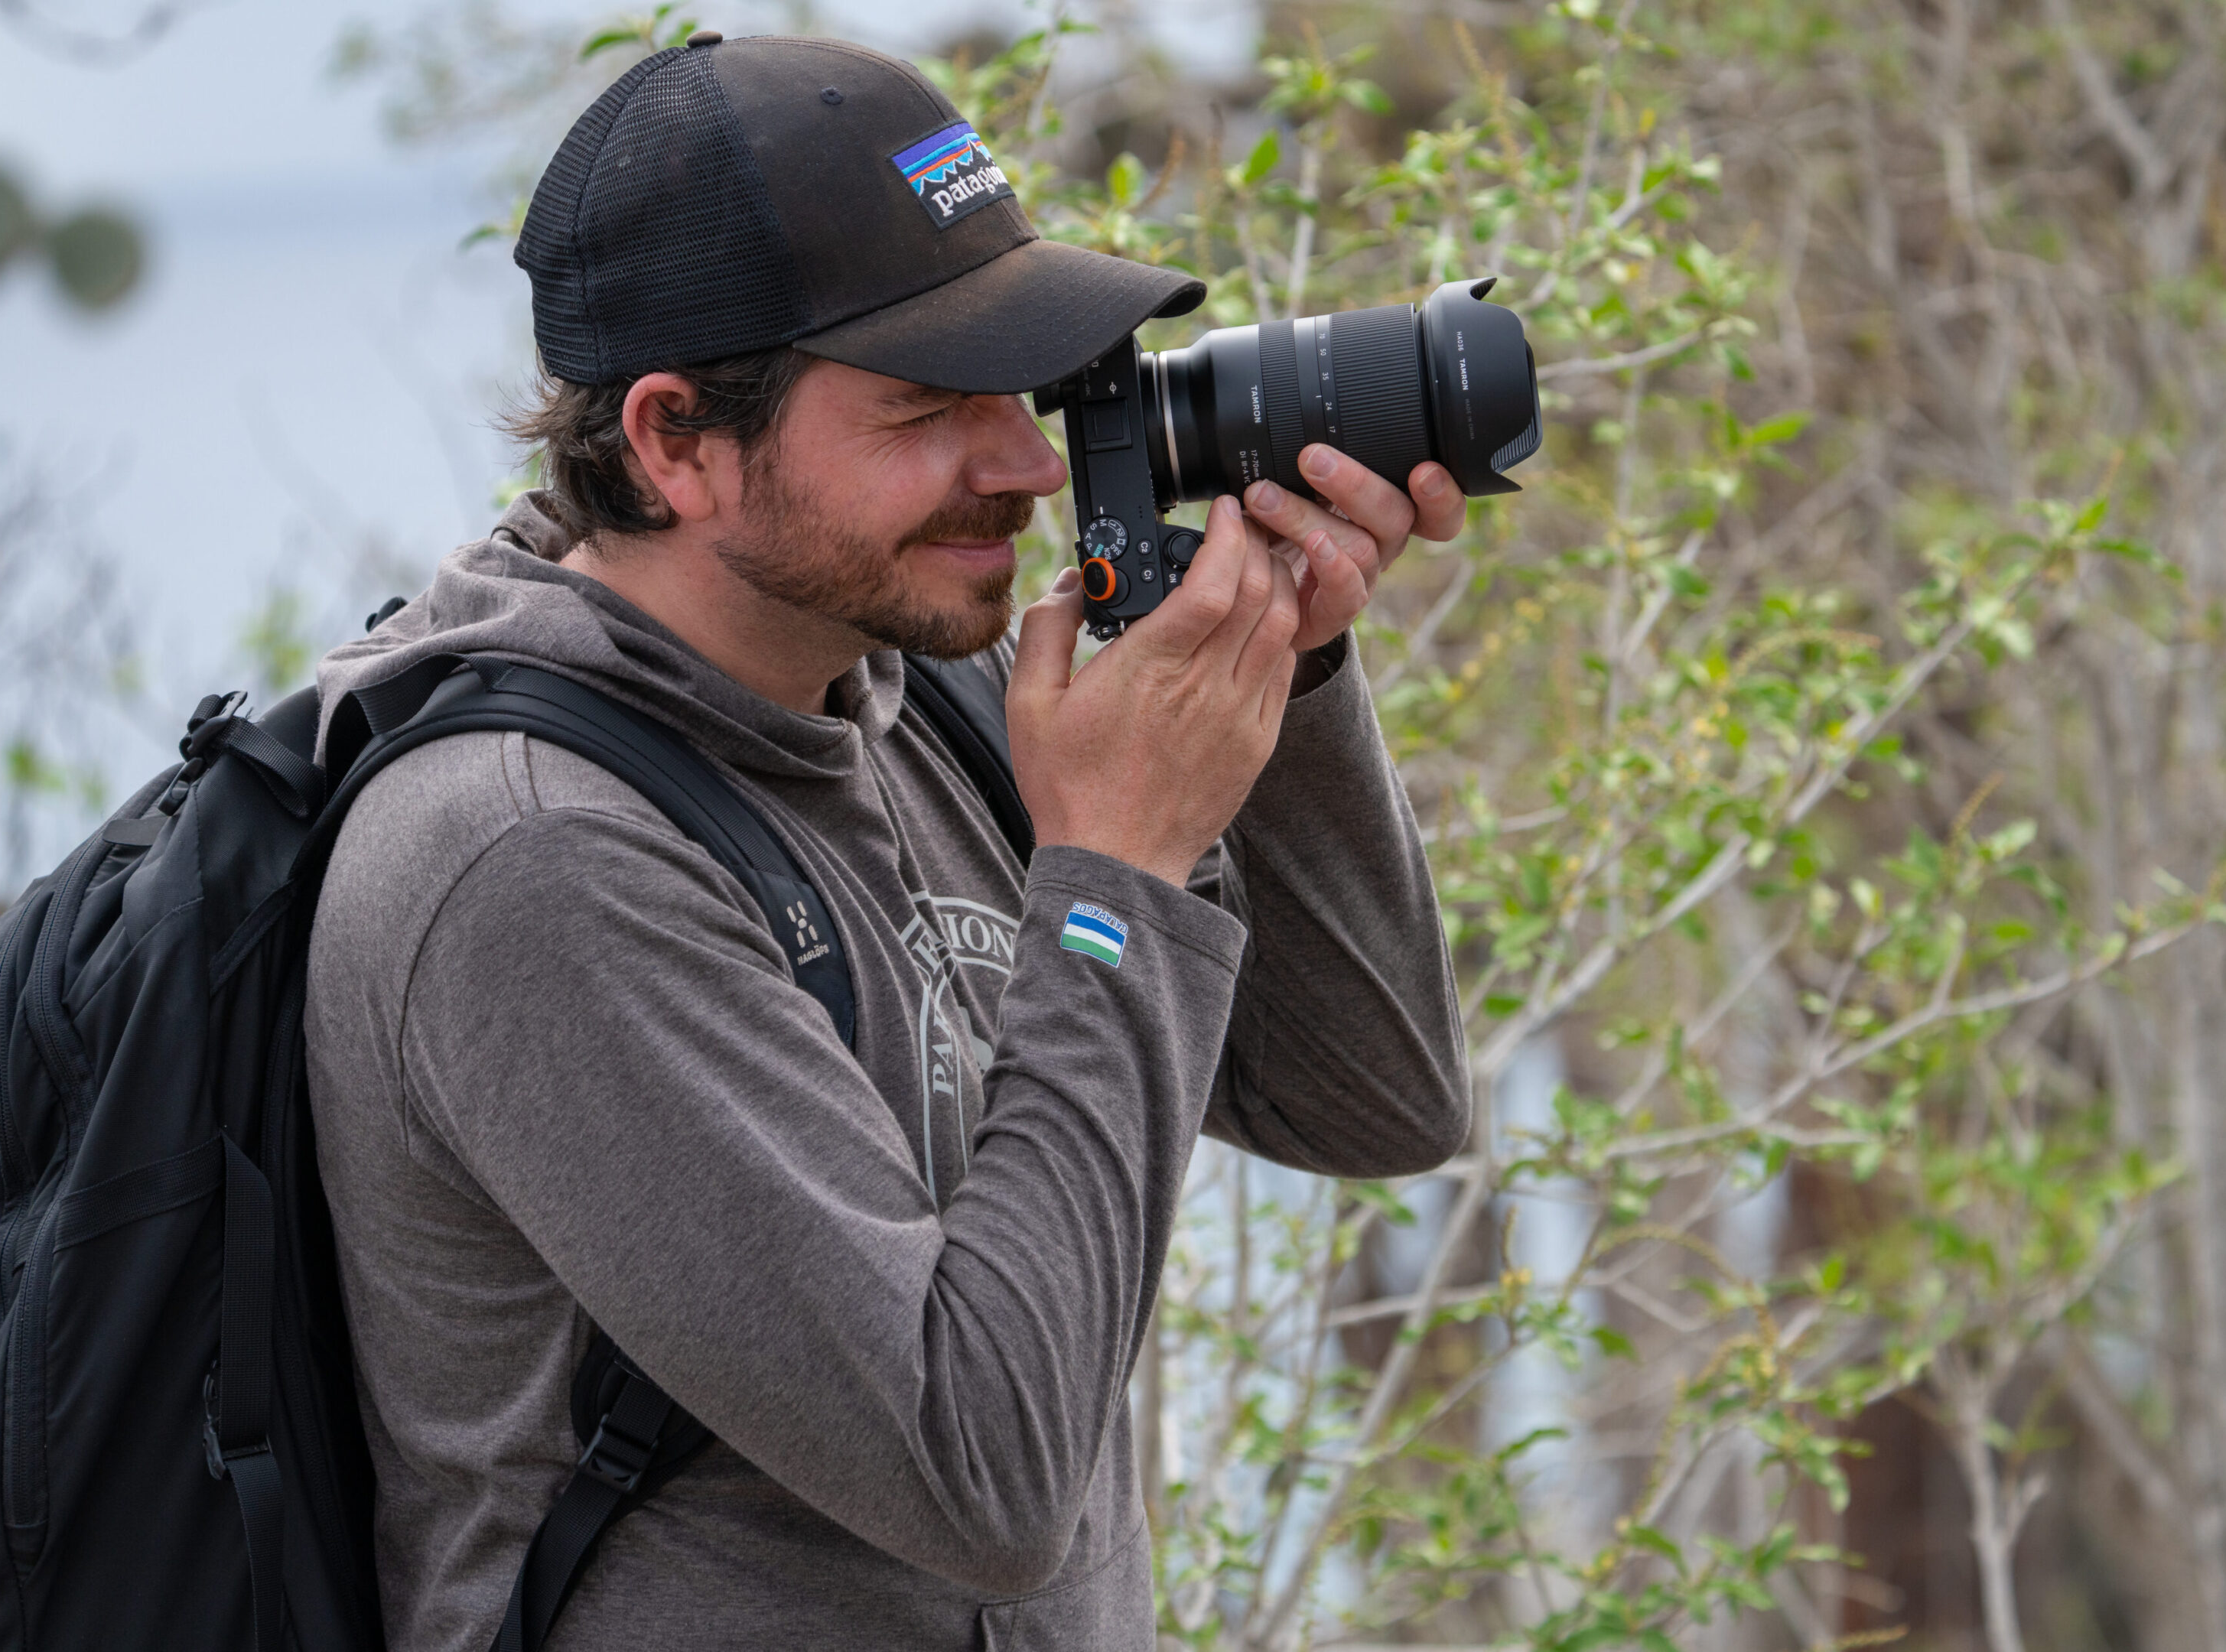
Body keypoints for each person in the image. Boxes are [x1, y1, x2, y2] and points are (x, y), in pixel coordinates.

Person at [304, 30, 1471, 1651]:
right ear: (675, 441)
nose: (1018, 461)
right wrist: (1117, 870)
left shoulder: (937, 697)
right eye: (927, 405)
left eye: (1016, 383)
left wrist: (1287, 676)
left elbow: (1380, 1099)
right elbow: (979, 1477)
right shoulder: (528, 858)